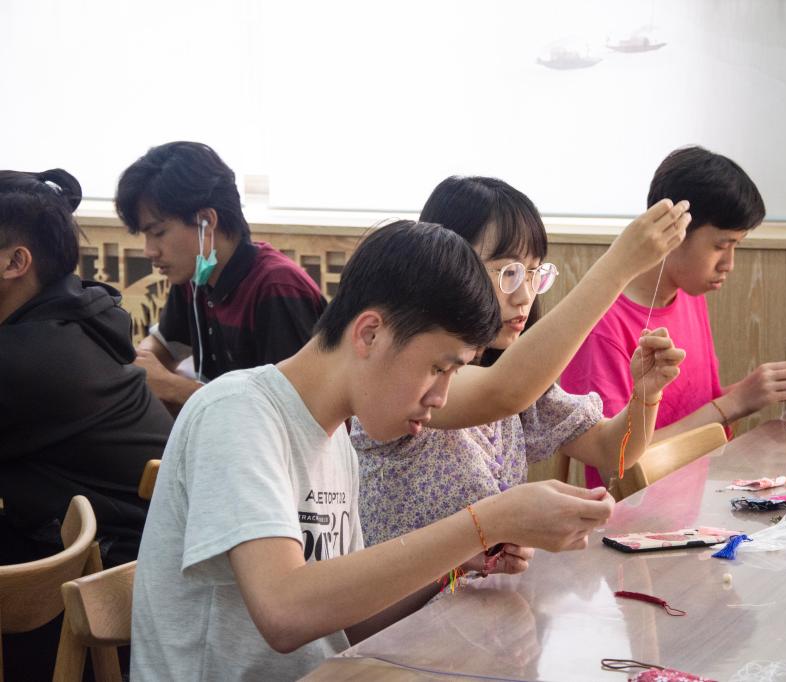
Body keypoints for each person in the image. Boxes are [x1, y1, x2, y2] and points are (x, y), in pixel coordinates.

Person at [131, 221, 618, 682]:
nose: (441, 397)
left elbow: (346, 624)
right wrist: (485, 521)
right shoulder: (237, 412)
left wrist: (458, 561)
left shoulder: (336, 442)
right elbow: (284, 612)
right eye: (438, 368)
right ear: (369, 333)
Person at [353, 176, 688, 545]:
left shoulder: (519, 382)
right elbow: (501, 392)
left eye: (533, 273)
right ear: (448, 266)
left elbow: (613, 453)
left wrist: (645, 395)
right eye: (508, 272)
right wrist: (619, 266)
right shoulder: (409, 372)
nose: (525, 296)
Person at [561, 146, 786, 488]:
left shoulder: (687, 297)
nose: (729, 264)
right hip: (633, 513)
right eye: (720, 246)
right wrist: (736, 401)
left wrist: (762, 390)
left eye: (736, 246)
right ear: (673, 231)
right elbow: (616, 465)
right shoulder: (603, 327)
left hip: (699, 498)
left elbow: (695, 413)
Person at [0, 168, 172, 680]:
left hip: (113, 607)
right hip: (117, 572)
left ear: (15, 262)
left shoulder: (29, 359)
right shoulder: (71, 322)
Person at [115, 141, 326, 411]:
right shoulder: (195, 276)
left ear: (206, 220)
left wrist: (172, 386)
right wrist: (145, 362)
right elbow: (166, 345)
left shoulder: (277, 287)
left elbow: (291, 411)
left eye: (158, 233)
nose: (149, 251)